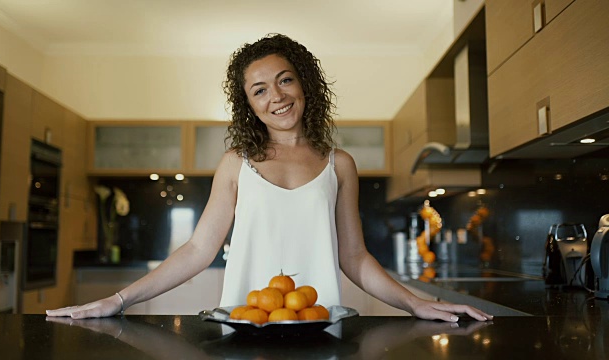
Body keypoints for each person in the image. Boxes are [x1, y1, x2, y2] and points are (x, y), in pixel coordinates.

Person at [47, 33, 493, 323]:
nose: (276, 97)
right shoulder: (236, 163)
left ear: (305, 86)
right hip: (244, 328)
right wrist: (119, 301)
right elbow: (199, 250)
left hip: (319, 327)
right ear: (248, 104)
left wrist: (417, 303)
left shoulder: (339, 165)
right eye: (259, 90)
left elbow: (355, 258)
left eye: (285, 81)